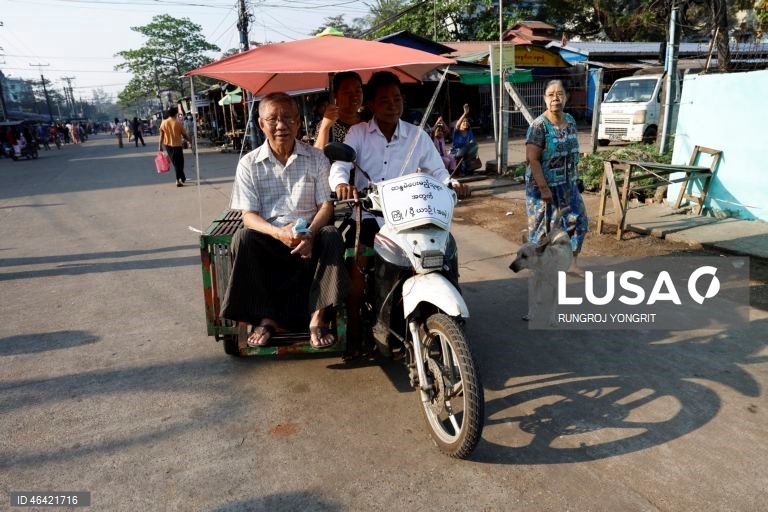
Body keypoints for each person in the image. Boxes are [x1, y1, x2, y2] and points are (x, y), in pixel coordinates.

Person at [329, 71, 470, 356]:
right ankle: (357, 329)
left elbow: (438, 171)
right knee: (358, 266)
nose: (392, 105)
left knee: (445, 253)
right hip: (371, 217)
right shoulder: (358, 133)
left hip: (413, 216)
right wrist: (341, 184)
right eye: (384, 100)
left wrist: (452, 183)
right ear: (370, 104)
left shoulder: (417, 135)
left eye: (396, 99)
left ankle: (451, 317)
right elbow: (340, 166)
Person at [220, 92, 348, 349]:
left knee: (331, 235)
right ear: (261, 124)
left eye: (288, 118)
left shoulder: (316, 158)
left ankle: (318, 316)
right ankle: (265, 318)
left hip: (309, 237)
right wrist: (278, 233)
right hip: (271, 239)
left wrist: (310, 233)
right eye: (273, 119)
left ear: (298, 122)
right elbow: (249, 216)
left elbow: (326, 206)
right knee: (243, 238)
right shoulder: (249, 163)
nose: (281, 126)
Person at [524, 79, 588, 274]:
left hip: (568, 184)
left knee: (578, 221)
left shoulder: (570, 120)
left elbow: (572, 153)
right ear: (544, 99)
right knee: (542, 228)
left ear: (566, 97)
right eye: (551, 94)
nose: (555, 98)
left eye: (559, 93)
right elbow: (532, 160)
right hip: (542, 187)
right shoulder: (538, 126)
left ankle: (571, 263)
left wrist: (576, 179)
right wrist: (544, 189)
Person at [313, 71, 364, 150]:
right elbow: (317, 155)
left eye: (358, 91)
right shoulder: (328, 124)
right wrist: (325, 127)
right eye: (347, 92)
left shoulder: (369, 121)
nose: (354, 96)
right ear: (335, 95)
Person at [158, 106, 190, 187]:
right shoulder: (178, 123)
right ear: (175, 114)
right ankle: (177, 180)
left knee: (176, 163)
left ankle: (182, 177)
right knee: (179, 163)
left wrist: (160, 146)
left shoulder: (164, 122)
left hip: (168, 146)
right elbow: (184, 135)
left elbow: (161, 136)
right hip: (177, 146)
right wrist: (190, 141)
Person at [451, 103, 480, 176]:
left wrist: (476, 153)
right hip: (457, 151)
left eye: (467, 121)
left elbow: (472, 142)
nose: (466, 123)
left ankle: (468, 168)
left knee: (474, 145)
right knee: (463, 151)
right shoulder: (457, 132)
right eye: (463, 122)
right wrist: (465, 113)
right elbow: (457, 124)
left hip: (467, 152)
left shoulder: (469, 131)